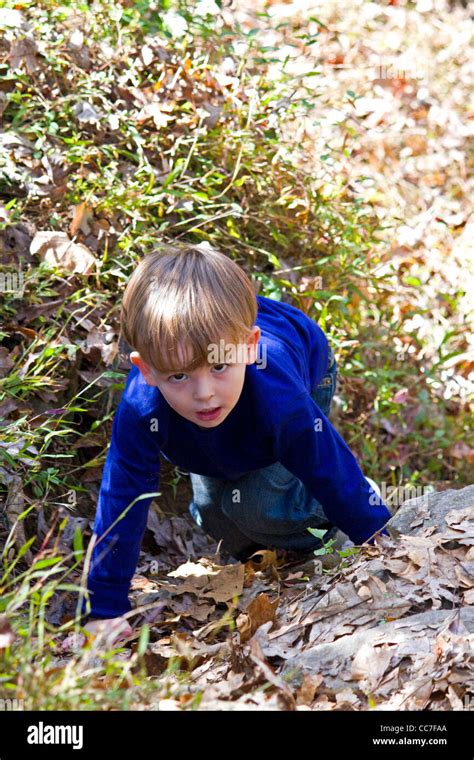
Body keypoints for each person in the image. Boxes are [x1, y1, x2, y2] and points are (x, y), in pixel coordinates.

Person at [80, 242, 391, 641]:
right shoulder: (142, 407)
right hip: (228, 393)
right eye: (178, 376)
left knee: (260, 502)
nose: (204, 393)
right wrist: (103, 608)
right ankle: (269, 550)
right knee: (212, 510)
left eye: (218, 367)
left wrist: (378, 538)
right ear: (147, 370)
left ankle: (318, 524)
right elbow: (123, 495)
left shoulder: (280, 399)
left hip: (304, 364)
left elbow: (326, 465)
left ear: (248, 346)